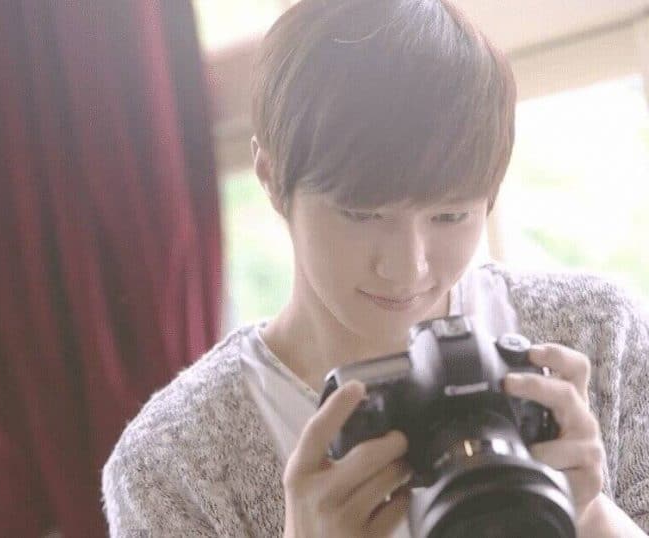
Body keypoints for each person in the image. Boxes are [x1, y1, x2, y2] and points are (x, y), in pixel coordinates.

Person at [101, 0, 649, 536]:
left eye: (450, 215)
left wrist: (588, 513)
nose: (407, 268)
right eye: (362, 215)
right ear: (270, 176)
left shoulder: (599, 338)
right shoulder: (173, 466)